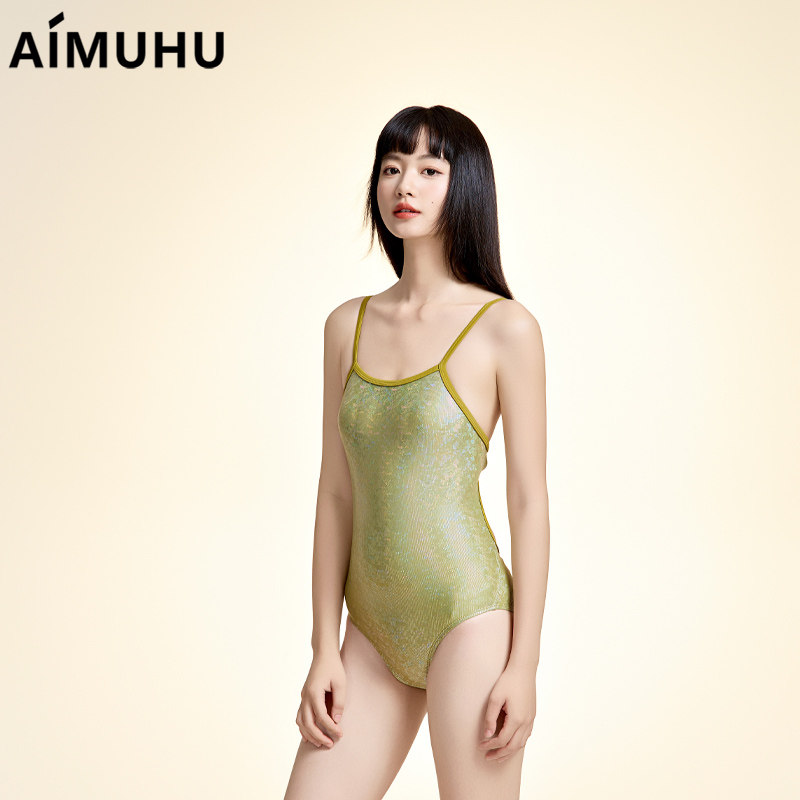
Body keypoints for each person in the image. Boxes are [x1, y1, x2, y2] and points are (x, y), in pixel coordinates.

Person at [283, 105, 550, 800]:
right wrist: (323, 647)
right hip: (369, 631)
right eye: (392, 167)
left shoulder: (505, 328)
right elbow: (335, 492)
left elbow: (528, 500)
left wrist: (523, 666)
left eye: (431, 169)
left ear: (466, 187)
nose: (405, 184)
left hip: (468, 615)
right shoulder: (347, 325)